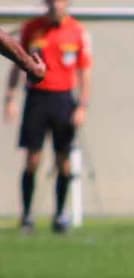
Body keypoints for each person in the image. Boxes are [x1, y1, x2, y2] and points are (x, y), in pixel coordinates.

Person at [4, 0, 92, 233]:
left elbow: (85, 71)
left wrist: (82, 105)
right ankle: (27, 216)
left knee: (63, 161)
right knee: (33, 159)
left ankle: (60, 214)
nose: (56, 5)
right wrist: (10, 97)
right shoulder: (32, 28)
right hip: (37, 98)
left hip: (63, 99)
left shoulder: (76, 31)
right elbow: (14, 60)